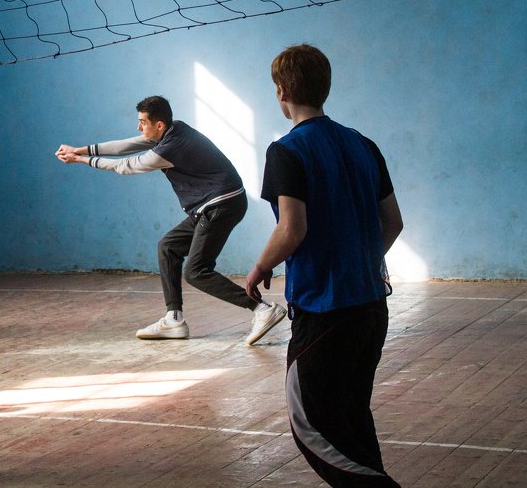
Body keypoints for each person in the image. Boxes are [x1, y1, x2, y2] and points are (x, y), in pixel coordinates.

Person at [245, 44, 403, 486]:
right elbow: (392, 222)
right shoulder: (363, 144)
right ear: (325, 88)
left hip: (326, 314)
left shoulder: (287, 151)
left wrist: (259, 268)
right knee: (351, 421)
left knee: (313, 428)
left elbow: (292, 229)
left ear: (281, 92)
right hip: (372, 307)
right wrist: (362, 260)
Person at [56, 95, 286, 344]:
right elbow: (128, 145)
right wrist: (80, 149)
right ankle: (174, 319)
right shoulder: (175, 129)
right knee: (168, 246)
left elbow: (127, 165)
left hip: (220, 204)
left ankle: (262, 309)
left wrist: (81, 160)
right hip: (214, 204)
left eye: (142, 122)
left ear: (159, 125)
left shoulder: (169, 148)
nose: (138, 127)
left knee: (196, 271)